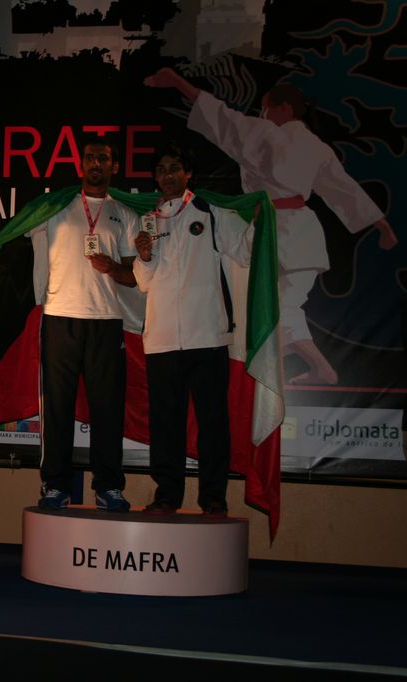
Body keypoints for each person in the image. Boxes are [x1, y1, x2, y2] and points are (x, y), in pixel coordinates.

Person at [144, 68, 397, 385]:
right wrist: (382, 225)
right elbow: (344, 190)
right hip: (298, 231)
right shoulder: (316, 146)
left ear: (285, 109)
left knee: (280, 307)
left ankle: (320, 369)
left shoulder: (265, 135)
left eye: (265, 109)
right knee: (270, 306)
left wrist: (178, 82)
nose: (262, 115)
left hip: (276, 229)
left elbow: (222, 118)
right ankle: (282, 366)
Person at [134, 142, 253, 517]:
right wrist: (144, 255)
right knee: (165, 425)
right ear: (155, 178)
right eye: (161, 170)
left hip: (207, 337)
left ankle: (213, 496)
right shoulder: (148, 220)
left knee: (212, 422)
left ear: (188, 174)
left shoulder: (212, 212)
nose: (168, 175)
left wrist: (259, 216)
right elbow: (143, 282)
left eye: (175, 168)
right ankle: (167, 495)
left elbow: (245, 251)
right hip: (162, 341)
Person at [31, 140, 139, 512]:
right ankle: (55, 485)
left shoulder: (124, 213)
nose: (96, 163)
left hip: (106, 321)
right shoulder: (56, 207)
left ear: (113, 166)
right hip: (60, 317)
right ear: (81, 164)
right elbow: (16, 231)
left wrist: (114, 267)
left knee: (107, 409)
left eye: (103, 159)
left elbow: (134, 276)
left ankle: (108, 487)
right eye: (90, 158)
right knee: (57, 408)